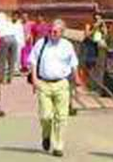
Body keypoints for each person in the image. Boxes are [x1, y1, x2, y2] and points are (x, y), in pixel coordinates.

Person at [30, 19, 83, 158]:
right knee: (46, 116)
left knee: (62, 116)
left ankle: (58, 145)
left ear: (62, 33)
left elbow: (73, 63)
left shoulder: (67, 46)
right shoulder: (41, 43)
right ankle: (46, 135)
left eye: (55, 31)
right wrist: (34, 79)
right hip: (44, 83)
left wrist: (76, 77)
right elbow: (33, 61)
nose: (52, 33)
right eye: (51, 30)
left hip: (61, 83)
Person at [0, 11, 20, 83]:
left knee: (2, 60)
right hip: (14, 40)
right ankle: (10, 77)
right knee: (12, 60)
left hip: (5, 39)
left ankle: (1, 78)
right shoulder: (9, 23)